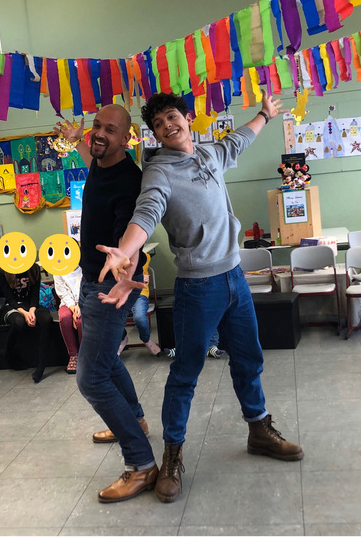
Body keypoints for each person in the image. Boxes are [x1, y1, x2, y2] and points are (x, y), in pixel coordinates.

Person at [97, 90, 304, 504]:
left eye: (172, 117)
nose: (167, 126)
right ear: (154, 134)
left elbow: (239, 140)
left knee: (248, 360)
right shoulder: (159, 171)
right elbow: (146, 212)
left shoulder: (210, 153)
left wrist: (264, 114)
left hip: (235, 279)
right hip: (198, 288)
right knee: (185, 374)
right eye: (158, 124)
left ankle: (258, 429)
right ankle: (172, 455)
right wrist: (124, 249)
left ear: (187, 118)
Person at [52, 104, 158, 504]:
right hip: (90, 279)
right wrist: (77, 139)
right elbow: (91, 155)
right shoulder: (101, 160)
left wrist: (126, 266)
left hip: (111, 287)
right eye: (96, 126)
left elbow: (133, 234)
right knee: (107, 362)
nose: (99, 133)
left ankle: (141, 464)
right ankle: (135, 420)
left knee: (91, 377)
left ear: (126, 138)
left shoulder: (129, 182)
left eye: (109, 130)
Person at [0, 262, 53, 383]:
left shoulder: (34, 268)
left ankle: (41, 366)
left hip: (31, 305)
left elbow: (35, 294)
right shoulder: (3, 271)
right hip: (13, 306)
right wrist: (25, 313)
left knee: (47, 319)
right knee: (19, 322)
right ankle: (9, 354)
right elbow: (10, 299)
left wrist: (32, 311)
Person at [117, 253, 162, 356]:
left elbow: (130, 274)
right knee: (112, 317)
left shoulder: (144, 256)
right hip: (121, 293)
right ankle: (122, 338)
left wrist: (129, 278)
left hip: (139, 294)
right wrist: (136, 279)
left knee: (139, 318)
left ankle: (146, 340)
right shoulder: (117, 257)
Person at [53, 264, 83, 374]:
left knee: (80, 322)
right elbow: (62, 293)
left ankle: (85, 354)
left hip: (84, 302)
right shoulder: (58, 269)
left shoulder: (85, 266)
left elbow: (87, 288)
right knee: (65, 318)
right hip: (67, 303)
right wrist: (72, 307)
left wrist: (80, 306)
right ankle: (73, 355)